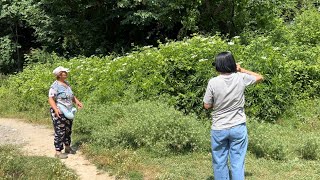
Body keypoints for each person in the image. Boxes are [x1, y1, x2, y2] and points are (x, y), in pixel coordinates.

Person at [203, 52, 263, 180]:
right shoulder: (240, 77)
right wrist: (241, 70)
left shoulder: (213, 82)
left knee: (219, 161)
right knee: (237, 162)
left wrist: (218, 105)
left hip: (219, 127)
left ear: (218, 66)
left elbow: (207, 105)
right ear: (232, 64)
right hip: (238, 126)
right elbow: (259, 77)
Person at [48, 66, 83, 159]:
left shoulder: (67, 84)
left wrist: (77, 102)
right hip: (59, 110)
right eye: (64, 72)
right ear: (59, 75)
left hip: (68, 110)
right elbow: (50, 99)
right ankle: (58, 152)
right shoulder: (55, 86)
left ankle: (67, 147)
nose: (66, 73)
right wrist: (56, 109)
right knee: (60, 131)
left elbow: (71, 96)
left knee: (68, 130)